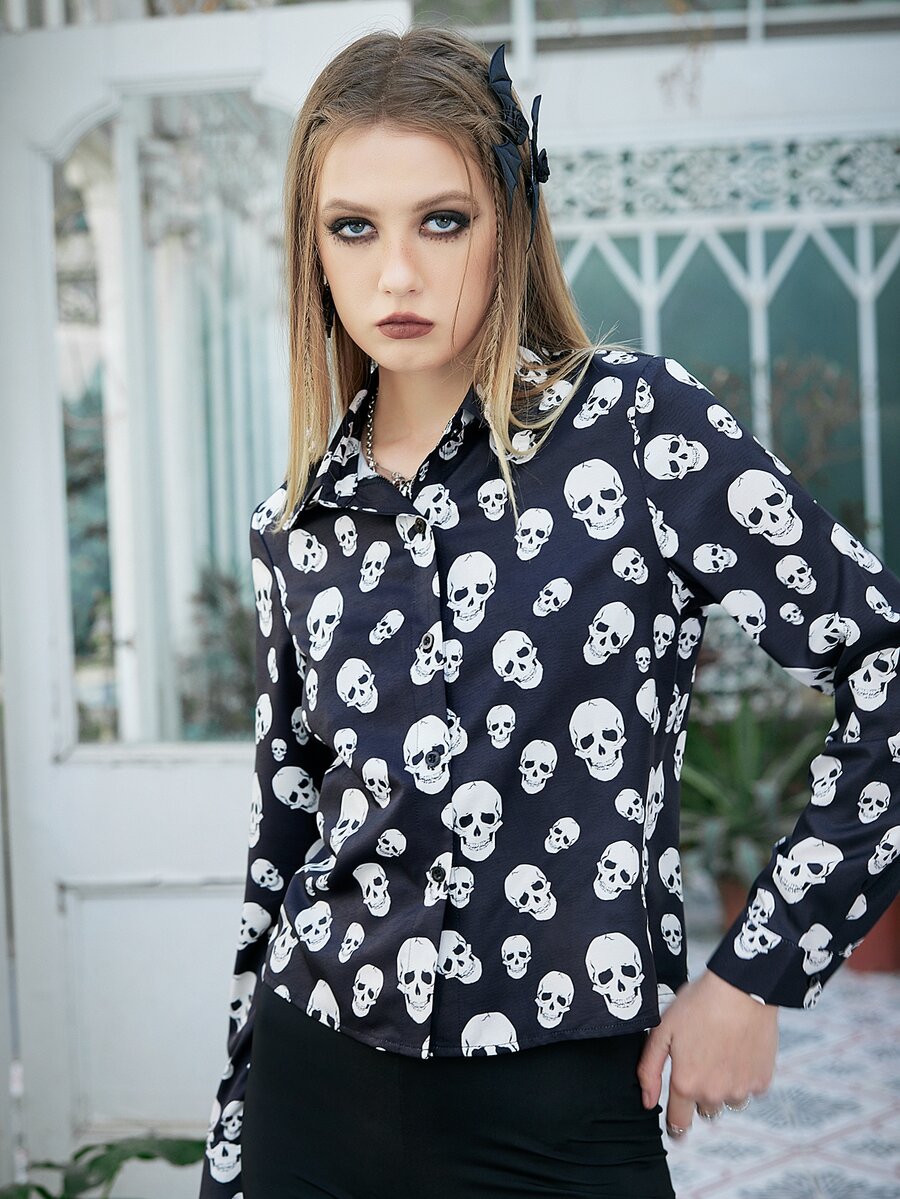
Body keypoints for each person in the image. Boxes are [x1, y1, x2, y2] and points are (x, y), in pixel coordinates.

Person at [199, 24, 900, 1199]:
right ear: (310, 247)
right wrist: (234, 1140)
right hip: (312, 1089)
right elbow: (285, 837)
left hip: (560, 1112)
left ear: (512, 224)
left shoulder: (637, 433)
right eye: (353, 227)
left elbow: (886, 662)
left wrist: (759, 971)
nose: (396, 274)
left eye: (443, 219)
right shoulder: (299, 519)